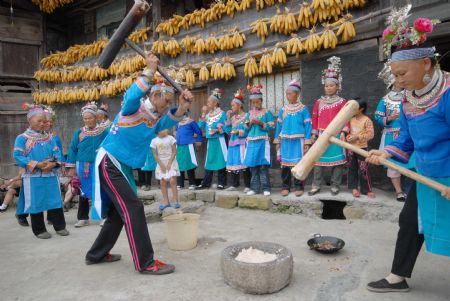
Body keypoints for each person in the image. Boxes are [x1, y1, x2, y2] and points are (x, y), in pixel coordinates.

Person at [85, 54, 193, 275]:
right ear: (154, 95)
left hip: (121, 166)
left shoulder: (154, 118)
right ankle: (145, 262)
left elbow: (168, 121)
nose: (167, 106)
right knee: (133, 207)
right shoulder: (133, 108)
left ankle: (95, 254)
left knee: (118, 213)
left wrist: (181, 108)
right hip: (110, 161)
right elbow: (132, 94)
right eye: (167, 101)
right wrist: (149, 71)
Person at [366, 10, 450, 292]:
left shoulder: (448, 94)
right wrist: (387, 153)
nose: (398, 82)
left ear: (426, 63)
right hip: (425, 174)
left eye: (402, 74)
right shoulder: (408, 101)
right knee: (410, 221)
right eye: (395, 75)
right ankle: (397, 278)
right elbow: (406, 138)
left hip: (448, 175)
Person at [13, 103, 69, 239]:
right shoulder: (22, 138)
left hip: (50, 174)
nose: (42, 124)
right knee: (36, 202)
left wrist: (54, 163)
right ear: (29, 120)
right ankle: (39, 230)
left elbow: (58, 154)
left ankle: (60, 226)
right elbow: (18, 156)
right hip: (33, 177)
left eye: (44, 121)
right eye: (39, 121)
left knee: (55, 200)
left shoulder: (50, 138)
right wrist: (36, 164)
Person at [375, 63, 415, 201]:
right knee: (393, 164)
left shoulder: (411, 96)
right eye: (397, 77)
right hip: (391, 136)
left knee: (411, 163)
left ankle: (411, 190)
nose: (401, 80)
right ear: (392, 81)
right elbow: (378, 117)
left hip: (409, 135)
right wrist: (390, 117)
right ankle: (399, 191)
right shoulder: (385, 100)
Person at [309, 56, 348, 196]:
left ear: (337, 86)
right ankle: (315, 185)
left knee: (337, 162)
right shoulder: (319, 102)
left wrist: (344, 132)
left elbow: (346, 118)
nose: (329, 88)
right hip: (322, 134)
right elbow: (315, 118)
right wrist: (314, 134)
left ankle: (335, 185)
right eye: (326, 85)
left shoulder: (343, 102)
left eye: (331, 85)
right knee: (318, 161)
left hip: (336, 135)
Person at [66, 102, 109, 228]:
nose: (87, 120)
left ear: (96, 118)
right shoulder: (79, 132)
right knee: (83, 191)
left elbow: (109, 147)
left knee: (101, 190)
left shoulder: (104, 132)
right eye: (85, 118)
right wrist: (71, 168)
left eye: (90, 118)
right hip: (83, 166)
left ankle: (104, 216)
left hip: (99, 166)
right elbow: (73, 149)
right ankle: (83, 218)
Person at [274, 79, 312, 197]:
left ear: (297, 94)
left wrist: (307, 141)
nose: (288, 95)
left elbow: (308, 125)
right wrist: (277, 140)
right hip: (285, 141)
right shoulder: (283, 109)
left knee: (298, 164)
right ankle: (286, 186)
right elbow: (279, 125)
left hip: (298, 141)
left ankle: (299, 186)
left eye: (290, 93)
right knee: (285, 165)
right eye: (287, 93)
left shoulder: (303, 109)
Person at [243, 84, 275, 196]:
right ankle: (255, 188)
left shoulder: (267, 113)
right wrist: (250, 123)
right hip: (251, 142)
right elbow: (245, 129)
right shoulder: (248, 114)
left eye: (258, 102)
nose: (256, 104)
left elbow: (271, 126)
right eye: (253, 102)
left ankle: (266, 188)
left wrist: (261, 123)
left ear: (261, 101)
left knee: (262, 166)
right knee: (253, 166)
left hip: (262, 142)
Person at [196, 88, 228, 190]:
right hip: (211, 141)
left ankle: (222, 183)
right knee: (209, 161)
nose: (208, 103)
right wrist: (203, 113)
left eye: (209, 101)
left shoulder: (222, 114)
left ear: (215, 103)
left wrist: (217, 130)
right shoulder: (208, 115)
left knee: (221, 160)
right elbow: (200, 125)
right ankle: (206, 183)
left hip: (219, 140)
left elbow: (227, 127)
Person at [346, 99, 375, 198]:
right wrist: (348, 136)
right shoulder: (350, 119)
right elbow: (346, 131)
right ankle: (354, 188)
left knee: (364, 169)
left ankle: (366, 189)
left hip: (362, 148)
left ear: (361, 109)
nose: (352, 110)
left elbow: (371, 134)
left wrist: (357, 137)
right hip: (350, 148)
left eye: (355, 108)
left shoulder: (367, 120)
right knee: (352, 168)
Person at [224, 89, 251, 192]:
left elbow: (248, 130)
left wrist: (239, 131)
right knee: (233, 162)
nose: (231, 108)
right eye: (231, 106)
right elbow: (227, 131)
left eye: (233, 105)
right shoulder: (233, 118)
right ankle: (234, 184)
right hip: (233, 143)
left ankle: (247, 185)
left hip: (242, 143)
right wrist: (227, 119)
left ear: (239, 106)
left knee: (244, 163)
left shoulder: (247, 116)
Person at [151, 130, 180, 210]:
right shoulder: (154, 141)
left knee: (172, 180)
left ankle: (175, 200)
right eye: (163, 129)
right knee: (162, 181)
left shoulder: (171, 138)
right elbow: (155, 155)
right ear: (158, 130)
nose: (166, 130)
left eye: (166, 128)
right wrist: (161, 165)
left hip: (171, 161)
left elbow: (174, 152)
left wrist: (170, 163)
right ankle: (166, 201)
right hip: (161, 162)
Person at [176, 110, 202, 190]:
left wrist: (198, 140)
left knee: (189, 164)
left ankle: (192, 183)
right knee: (179, 164)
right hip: (179, 146)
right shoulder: (178, 123)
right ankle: (180, 184)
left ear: (184, 114)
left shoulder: (191, 122)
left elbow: (199, 131)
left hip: (188, 145)